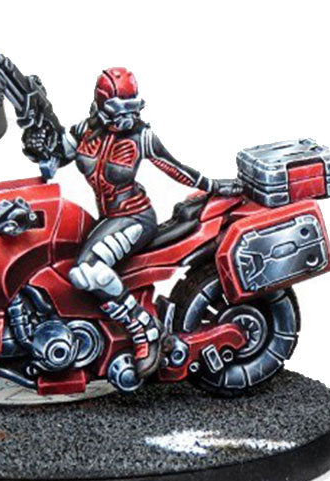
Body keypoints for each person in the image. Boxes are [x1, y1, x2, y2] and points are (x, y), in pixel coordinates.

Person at [23, 67, 240, 380]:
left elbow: (175, 168)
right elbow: (55, 157)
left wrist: (214, 186)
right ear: (101, 105)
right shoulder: (86, 130)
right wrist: (36, 137)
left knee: (88, 271)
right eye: (118, 109)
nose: (127, 117)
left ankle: (145, 330)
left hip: (135, 217)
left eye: (132, 108)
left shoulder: (142, 137)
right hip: (108, 219)